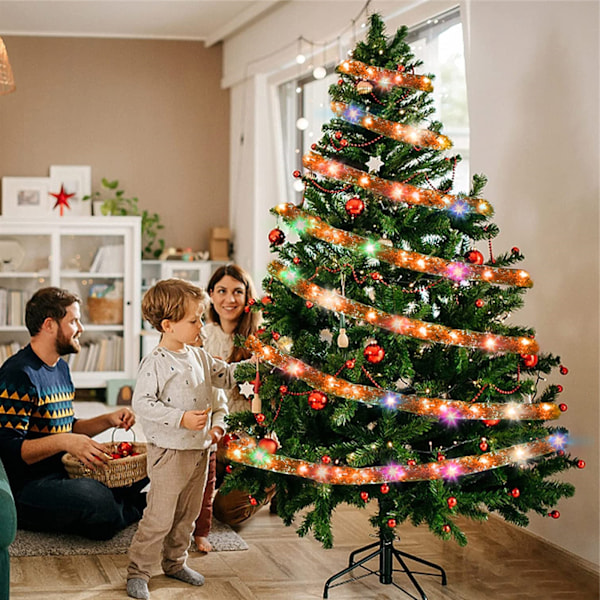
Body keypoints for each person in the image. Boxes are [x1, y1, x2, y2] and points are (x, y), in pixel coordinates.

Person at [126, 278, 249, 600]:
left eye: (200, 319)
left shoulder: (199, 356)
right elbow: (142, 404)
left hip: (201, 451)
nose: (202, 328)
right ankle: (138, 571)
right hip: (169, 453)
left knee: (188, 514)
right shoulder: (156, 362)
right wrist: (180, 418)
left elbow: (227, 377)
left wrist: (260, 365)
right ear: (168, 325)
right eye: (194, 321)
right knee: (159, 517)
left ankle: (175, 562)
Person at [0, 287, 147, 540]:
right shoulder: (18, 374)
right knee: (96, 499)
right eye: (73, 321)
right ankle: (134, 507)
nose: (81, 328)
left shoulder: (61, 369)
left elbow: (67, 426)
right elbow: (8, 450)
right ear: (49, 325)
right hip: (28, 488)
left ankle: (120, 504)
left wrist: (108, 419)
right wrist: (65, 441)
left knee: (144, 468)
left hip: (64, 472)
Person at [193, 264, 273, 553]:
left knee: (227, 511)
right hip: (213, 434)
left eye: (238, 291)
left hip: (250, 439)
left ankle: (273, 483)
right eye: (222, 291)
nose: (230, 299)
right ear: (211, 295)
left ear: (248, 296)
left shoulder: (261, 339)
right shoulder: (200, 336)